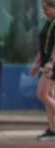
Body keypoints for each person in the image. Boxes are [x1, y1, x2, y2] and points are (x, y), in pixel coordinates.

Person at [32, 0, 55, 140]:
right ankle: (53, 130)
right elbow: (44, 45)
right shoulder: (50, 22)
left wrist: (51, 62)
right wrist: (36, 63)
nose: (44, 12)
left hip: (51, 64)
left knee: (43, 94)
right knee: (49, 95)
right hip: (47, 63)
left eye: (46, 9)